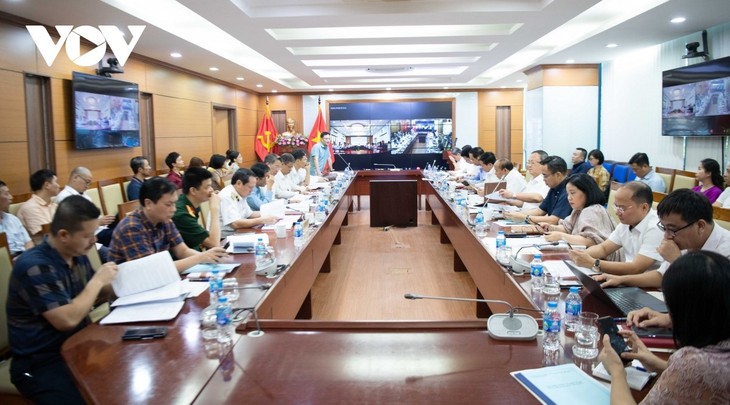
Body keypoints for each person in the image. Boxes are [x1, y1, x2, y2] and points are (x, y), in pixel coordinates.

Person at [7, 196, 118, 404]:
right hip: (42, 361)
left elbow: (95, 294)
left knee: (125, 374)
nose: (93, 240)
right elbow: (66, 320)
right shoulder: (34, 265)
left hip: (78, 345)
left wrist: (127, 283)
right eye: (87, 235)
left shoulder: (77, 254)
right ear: (64, 235)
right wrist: (98, 280)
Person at [599, 251, 730, 405]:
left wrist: (616, 371)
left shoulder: (696, 361)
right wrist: (657, 364)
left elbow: (700, 373)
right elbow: (705, 381)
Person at [596, 189, 730, 288]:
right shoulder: (683, 237)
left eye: (672, 229)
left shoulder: (726, 250)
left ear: (700, 226)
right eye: (664, 228)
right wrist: (621, 280)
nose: (666, 236)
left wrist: (677, 261)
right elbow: (661, 275)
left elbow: (711, 295)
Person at [108, 178, 228, 272]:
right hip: (133, 290)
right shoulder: (132, 228)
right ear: (148, 203)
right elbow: (152, 270)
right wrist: (200, 258)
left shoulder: (165, 220)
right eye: (168, 204)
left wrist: (209, 257)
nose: (174, 209)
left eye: (174, 204)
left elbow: (183, 251)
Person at [569, 181, 663, 275]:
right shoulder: (627, 222)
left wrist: (593, 263)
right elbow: (603, 249)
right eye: (616, 206)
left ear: (644, 207)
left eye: (622, 208)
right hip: (627, 276)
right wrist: (577, 256)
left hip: (646, 281)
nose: (617, 213)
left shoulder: (655, 228)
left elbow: (636, 268)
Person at [534, 174, 623, 261]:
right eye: (568, 194)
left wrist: (561, 236)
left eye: (572, 193)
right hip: (587, 257)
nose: (569, 198)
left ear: (587, 192)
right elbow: (568, 228)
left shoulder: (593, 210)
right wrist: (551, 228)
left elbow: (592, 241)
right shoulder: (578, 209)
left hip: (603, 261)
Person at [55, 167, 116, 246]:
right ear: (75, 177)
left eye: (89, 183)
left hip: (101, 228)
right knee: (122, 232)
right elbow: (75, 225)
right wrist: (98, 222)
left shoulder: (84, 194)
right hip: (92, 235)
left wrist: (104, 220)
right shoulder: (64, 197)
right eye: (87, 182)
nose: (88, 186)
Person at [503, 155, 571, 225]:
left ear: (558, 175)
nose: (543, 179)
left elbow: (554, 220)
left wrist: (524, 217)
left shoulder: (568, 190)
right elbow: (540, 211)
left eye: (545, 176)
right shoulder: (554, 188)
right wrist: (514, 215)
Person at [172, 167, 222, 251]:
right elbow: (214, 243)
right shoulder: (181, 214)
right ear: (193, 191)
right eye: (207, 187)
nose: (211, 190)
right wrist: (215, 209)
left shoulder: (189, 203)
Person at [219, 168, 277, 237]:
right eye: (250, 187)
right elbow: (235, 223)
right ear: (239, 183)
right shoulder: (227, 196)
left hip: (238, 232)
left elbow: (250, 214)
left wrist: (272, 213)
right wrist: (262, 220)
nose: (252, 191)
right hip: (225, 237)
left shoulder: (240, 192)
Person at [16, 169, 60, 243]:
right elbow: (47, 233)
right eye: (56, 182)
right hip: (44, 247)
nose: (58, 185)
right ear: (47, 185)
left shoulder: (54, 205)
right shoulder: (30, 207)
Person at [0, 180, 32, 257]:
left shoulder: (13, 218)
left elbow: (29, 242)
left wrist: (24, 257)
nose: (11, 197)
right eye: (6, 194)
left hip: (25, 256)